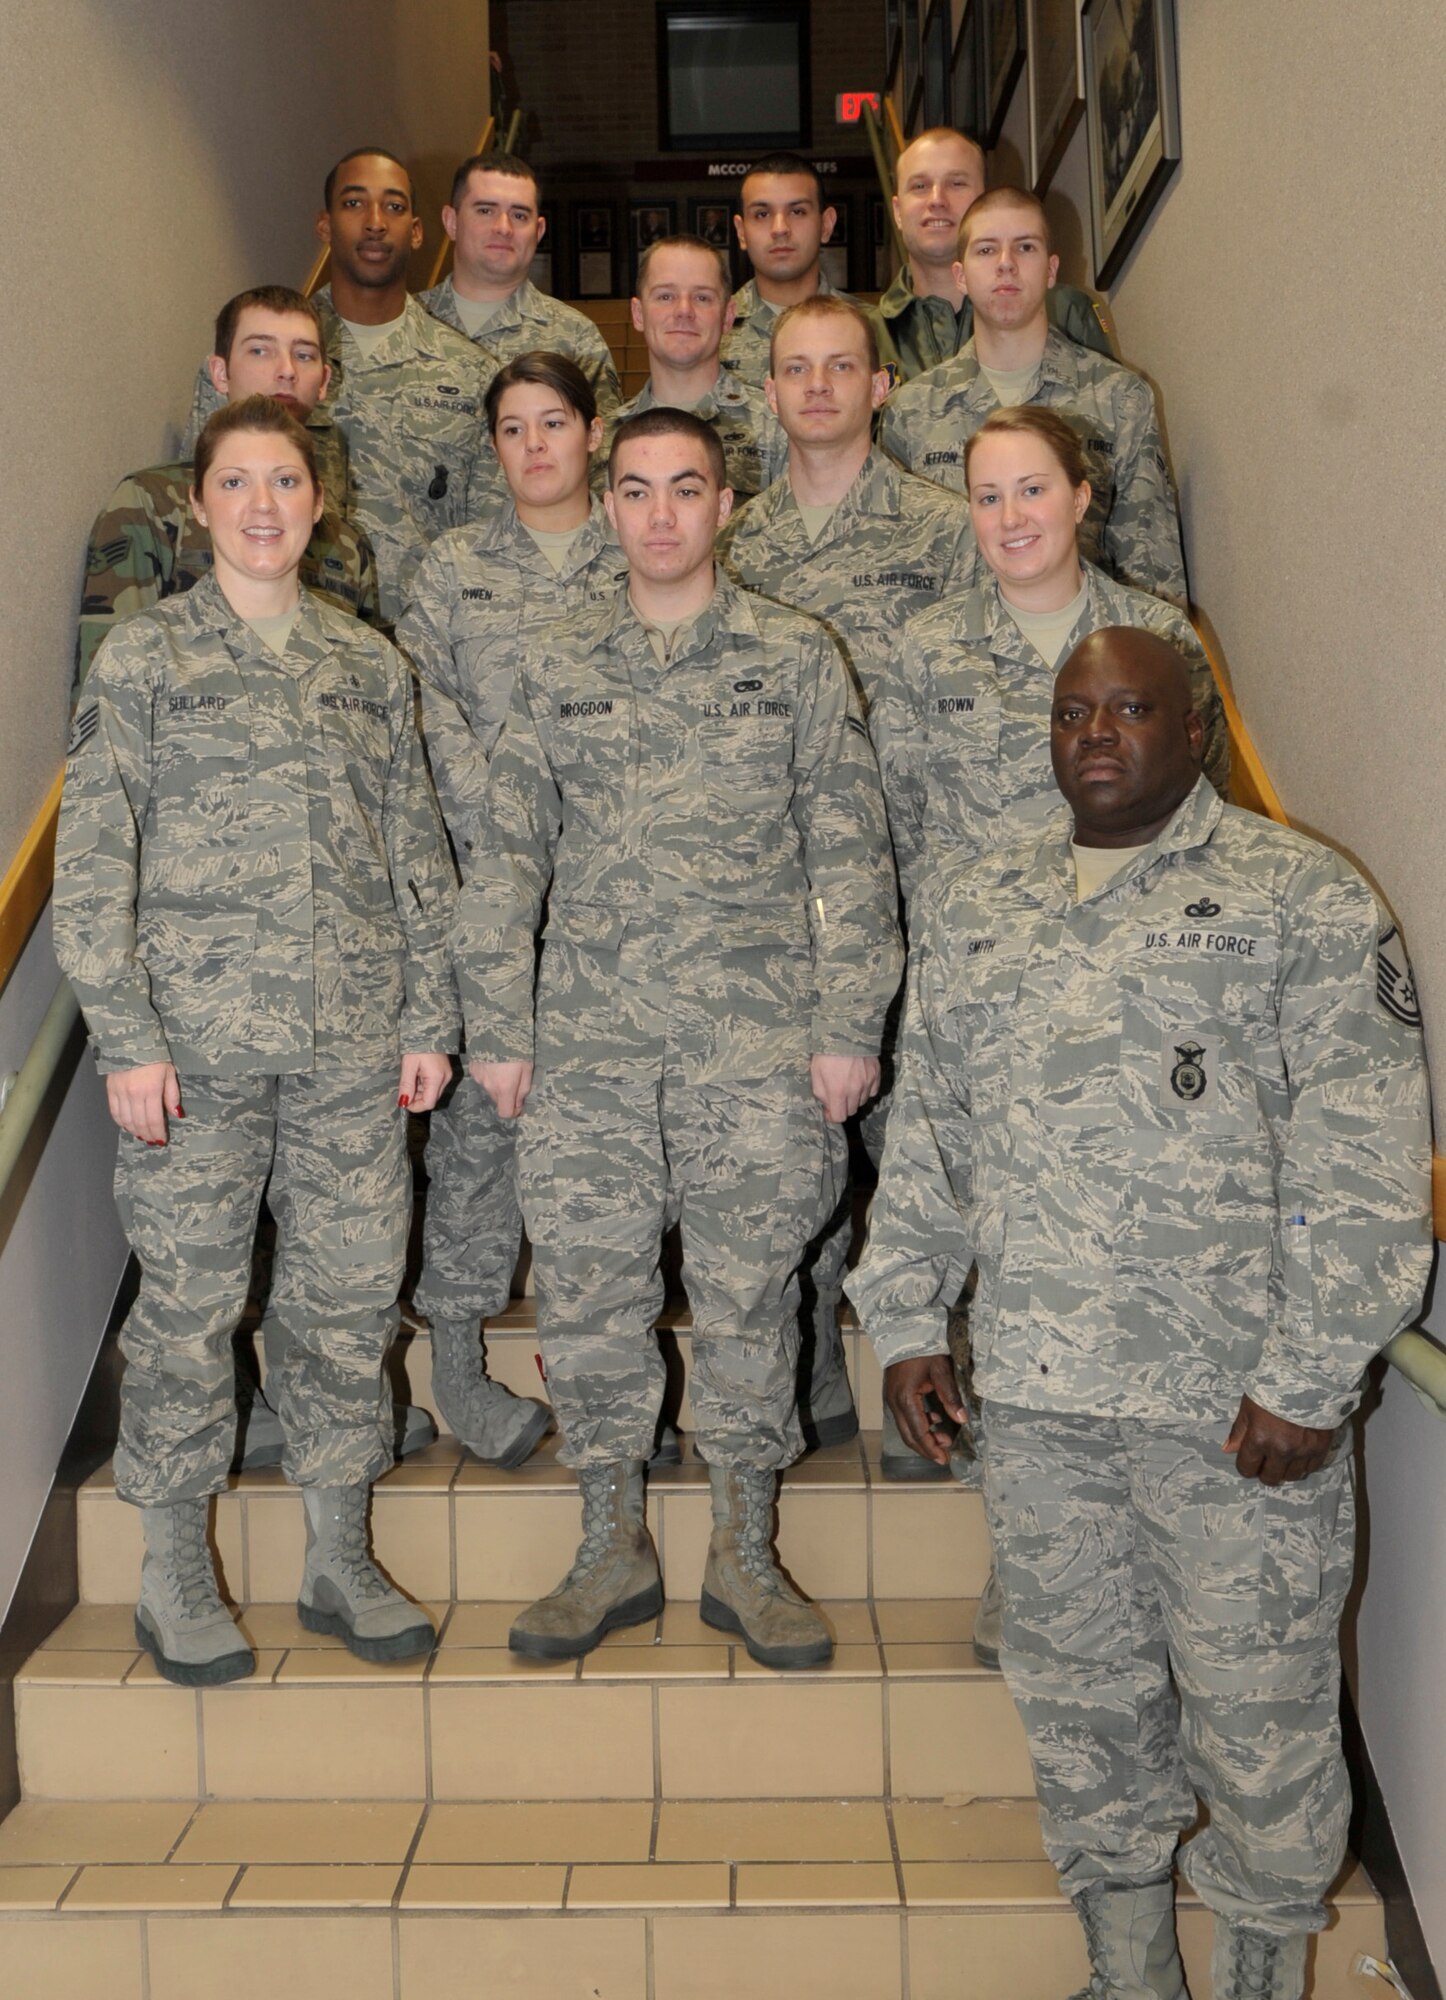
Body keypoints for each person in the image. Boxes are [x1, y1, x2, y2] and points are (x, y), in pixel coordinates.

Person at [849, 628, 1433, 2000]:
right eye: (1071, 712)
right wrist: (907, 1321)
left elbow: (1360, 1155)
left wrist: (1307, 1374)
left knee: (1262, 1716)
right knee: (1079, 1709)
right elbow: (927, 1130)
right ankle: (1126, 1976)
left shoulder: (1301, 898)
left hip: (1230, 1415)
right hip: (1041, 1406)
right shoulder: (982, 900)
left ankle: (1254, 1982)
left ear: (1194, 726)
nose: (1095, 732)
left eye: (1128, 708)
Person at [452, 408, 902, 1669]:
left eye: (685, 488)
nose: (660, 514)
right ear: (608, 509)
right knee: (592, 1290)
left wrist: (847, 1023)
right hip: (588, 1044)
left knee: (751, 1294)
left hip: (757, 1046)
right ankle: (611, 1543)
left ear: (724, 503)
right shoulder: (552, 665)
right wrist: (498, 1024)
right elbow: (505, 861)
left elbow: (853, 855)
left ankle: (746, 1551)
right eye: (636, 490)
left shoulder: (798, 657)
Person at [53, 397, 461, 1686]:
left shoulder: (366, 665)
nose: (265, 504)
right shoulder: (145, 660)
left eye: (286, 480)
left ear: (318, 500)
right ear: (201, 504)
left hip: (351, 1046)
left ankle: (339, 1549)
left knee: (344, 1306)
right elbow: (92, 854)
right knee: (188, 1307)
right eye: (239, 482)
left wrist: (430, 1018)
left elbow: (418, 861)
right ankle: (175, 1569)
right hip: (195, 1046)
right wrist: (123, 1033)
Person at [717, 292, 974, 1469]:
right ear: (766, 392)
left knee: (940, 1136)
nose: (817, 386)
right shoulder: (735, 544)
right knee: (800, 1136)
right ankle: (814, 1352)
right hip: (784, 892)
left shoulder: (947, 530)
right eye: (794, 368)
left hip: (928, 878)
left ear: (882, 387)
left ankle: (949, 1385)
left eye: (842, 367)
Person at [398, 353, 624, 1470]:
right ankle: (456, 1360)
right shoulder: (449, 569)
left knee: (599, 1139)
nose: (535, 445)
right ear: (492, 447)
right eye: (512, 428)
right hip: (488, 886)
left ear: (593, 430)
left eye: (554, 422)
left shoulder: (637, 543)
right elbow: (426, 711)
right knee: (479, 1139)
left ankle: (599, 1372)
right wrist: (507, 818)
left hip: (613, 898)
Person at [872, 403, 1227, 906]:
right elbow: (898, 820)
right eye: (988, 498)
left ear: (1080, 499)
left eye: (1033, 490)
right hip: (977, 948)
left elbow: (1206, 799)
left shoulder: (1158, 636)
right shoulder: (926, 648)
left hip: (1126, 943)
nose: (1011, 518)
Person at [187, 148, 499, 621]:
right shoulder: (258, 362)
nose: (375, 222)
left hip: (419, 637)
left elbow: (486, 535)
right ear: (324, 226)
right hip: (275, 636)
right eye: (354, 204)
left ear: (417, 232)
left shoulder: (471, 373)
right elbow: (204, 510)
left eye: (394, 207)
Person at [879, 187, 1187, 607]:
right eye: (986, 250)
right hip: (955, 661)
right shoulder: (910, 413)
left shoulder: (1119, 400)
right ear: (960, 275)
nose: (1006, 265)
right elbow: (900, 574)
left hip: (1087, 657)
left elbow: (1153, 574)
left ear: (1050, 269)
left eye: (1025, 247)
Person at [76, 287, 378, 692]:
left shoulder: (346, 544)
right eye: (260, 350)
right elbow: (106, 689)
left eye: (303, 355)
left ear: (324, 381)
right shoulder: (150, 505)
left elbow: (367, 691)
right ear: (220, 373)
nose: (286, 370)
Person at [869, 128, 1114, 383]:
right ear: (897, 211)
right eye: (920, 186)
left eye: (956, 183)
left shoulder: (1063, 310)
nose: (937, 200)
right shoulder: (865, 337)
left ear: (985, 198)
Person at [420, 151, 622, 417]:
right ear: (451, 221)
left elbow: (606, 450)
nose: (503, 227)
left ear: (538, 231)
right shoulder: (405, 323)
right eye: (485, 210)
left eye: (519, 215)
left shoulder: (575, 338)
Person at [597, 236, 788, 503]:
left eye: (702, 297)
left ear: (728, 315)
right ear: (638, 314)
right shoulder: (601, 441)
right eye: (666, 296)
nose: (684, 310)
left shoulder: (779, 426)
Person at [720, 152, 853, 391]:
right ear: (741, 231)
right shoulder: (711, 331)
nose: (780, 228)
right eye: (762, 214)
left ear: (826, 225)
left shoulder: (869, 327)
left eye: (797, 211)